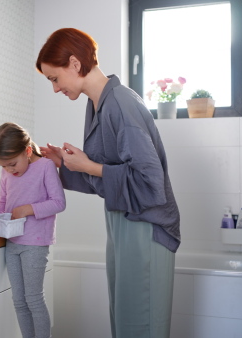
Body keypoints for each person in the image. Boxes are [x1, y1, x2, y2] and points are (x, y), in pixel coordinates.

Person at [36, 28, 181, 338]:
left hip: (146, 225)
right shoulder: (98, 104)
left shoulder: (120, 104)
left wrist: (89, 164)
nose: (54, 88)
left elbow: (149, 182)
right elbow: (108, 178)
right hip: (123, 223)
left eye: (54, 78)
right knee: (126, 320)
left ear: (75, 64)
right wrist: (65, 163)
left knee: (140, 325)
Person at [0, 122, 66, 338]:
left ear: (28, 151)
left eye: (12, 164)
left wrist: (27, 209)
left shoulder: (46, 166)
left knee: (34, 299)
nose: (9, 170)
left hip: (35, 243)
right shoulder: (7, 173)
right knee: (19, 301)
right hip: (12, 243)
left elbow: (59, 202)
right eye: (4, 167)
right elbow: (3, 202)